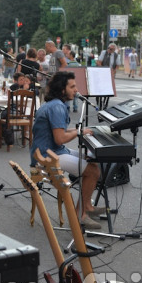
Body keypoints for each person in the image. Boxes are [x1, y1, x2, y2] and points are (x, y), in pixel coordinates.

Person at [29, 71, 103, 230]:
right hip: (47, 156)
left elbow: (58, 131)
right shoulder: (57, 107)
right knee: (92, 171)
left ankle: (87, 207)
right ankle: (80, 215)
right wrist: (78, 132)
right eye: (72, 87)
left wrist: (79, 130)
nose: (76, 90)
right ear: (62, 90)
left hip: (48, 152)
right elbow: (60, 138)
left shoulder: (53, 104)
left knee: (92, 162)